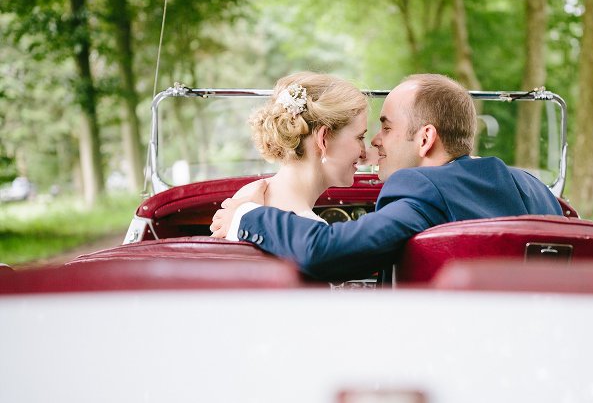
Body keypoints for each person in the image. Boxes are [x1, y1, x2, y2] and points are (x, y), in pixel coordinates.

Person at [210, 73, 563, 281]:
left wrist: (245, 215)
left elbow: (329, 250)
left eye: (385, 128)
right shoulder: (535, 189)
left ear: (425, 139)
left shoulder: (422, 189)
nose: (374, 144)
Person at [226, 71, 369, 223]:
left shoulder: (245, 197)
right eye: (360, 137)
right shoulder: (312, 232)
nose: (364, 153)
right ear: (323, 139)